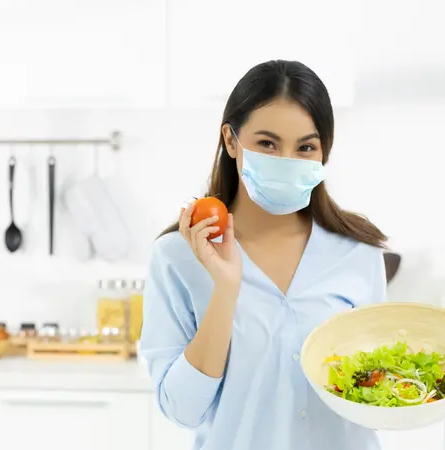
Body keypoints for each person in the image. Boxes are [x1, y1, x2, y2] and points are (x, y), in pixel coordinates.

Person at [139, 60, 388, 450]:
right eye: (268, 144)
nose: (287, 161)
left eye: (306, 147)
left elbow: (374, 391)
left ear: (324, 153)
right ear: (231, 140)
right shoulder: (177, 258)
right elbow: (182, 410)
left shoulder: (358, 252)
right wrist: (225, 289)